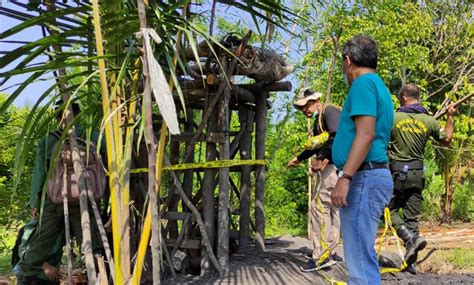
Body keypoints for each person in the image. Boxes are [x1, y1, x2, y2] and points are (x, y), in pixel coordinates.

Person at [17, 101, 104, 285]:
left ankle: (28, 273)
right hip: (86, 201)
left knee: (39, 244)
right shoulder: (95, 137)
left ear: (57, 118)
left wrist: (35, 202)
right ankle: (99, 276)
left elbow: (40, 173)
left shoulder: (48, 140)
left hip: (54, 200)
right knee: (91, 246)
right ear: (79, 114)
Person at [331, 35, 394, 285]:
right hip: (370, 176)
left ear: (348, 61)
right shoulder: (379, 85)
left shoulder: (362, 84)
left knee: (359, 264)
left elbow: (365, 134)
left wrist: (345, 177)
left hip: (363, 178)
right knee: (362, 258)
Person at [388, 83, 456, 273]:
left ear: (403, 98)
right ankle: (412, 265)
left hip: (396, 174)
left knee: (384, 208)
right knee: (412, 218)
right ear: (417, 97)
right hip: (417, 175)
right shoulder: (429, 121)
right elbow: (447, 139)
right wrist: (450, 117)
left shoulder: (393, 118)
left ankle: (408, 237)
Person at [288, 87, 342, 272]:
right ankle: (330, 251)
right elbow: (317, 144)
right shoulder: (320, 119)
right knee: (332, 210)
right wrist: (300, 158)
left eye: (306, 105)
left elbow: (336, 135)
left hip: (332, 168)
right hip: (337, 169)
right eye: (302, 107)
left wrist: (322, 158)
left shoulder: (329, 112)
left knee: (318, 208)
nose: (304, 110)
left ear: (316, 100)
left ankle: (321, 255)